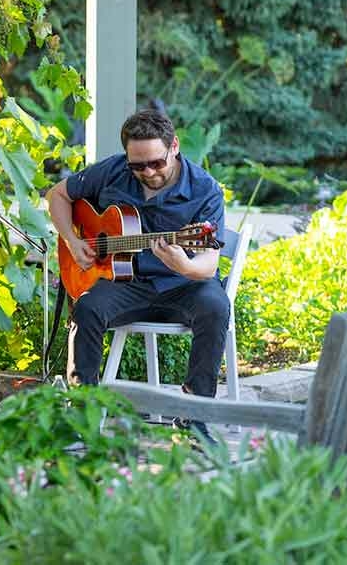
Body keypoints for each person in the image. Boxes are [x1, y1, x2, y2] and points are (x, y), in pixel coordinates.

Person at [46, 109, 228, 443]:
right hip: (126, 282)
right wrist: (73, 243)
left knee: (215, 308)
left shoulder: (205, 190)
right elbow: (57, 195)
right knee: (87, 308)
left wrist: (183, 265)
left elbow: (208, 265)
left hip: (184, 284)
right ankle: (81, 413)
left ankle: (194, 416)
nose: (148, 172)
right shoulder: (113, 171)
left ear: (173, 146)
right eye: (138, 165)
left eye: (156, 163)